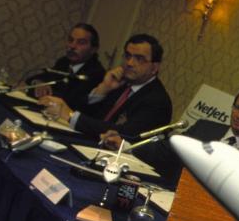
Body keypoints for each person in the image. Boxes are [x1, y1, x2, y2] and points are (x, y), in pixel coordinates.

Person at [102, 87, 239, 196]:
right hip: (171, 195)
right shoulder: (205, 128)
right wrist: (125, 145)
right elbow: (166, 150)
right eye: (237, 107)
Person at [39, 33, 172, 141]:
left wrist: (71, 116)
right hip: (88, 141)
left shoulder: (157, 101)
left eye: (139, 59)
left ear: (154, 68)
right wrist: (103, 89)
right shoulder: (121, 84)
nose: (130, 63)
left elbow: (125, 133)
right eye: (127, 56)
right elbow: (89, 114)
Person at [25, 23, 105, 111]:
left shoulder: (96, 73)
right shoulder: (64, 61)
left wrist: (48, 91)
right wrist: (38, 82)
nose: (72, 46)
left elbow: (71, 101)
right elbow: (41, 77)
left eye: (81, 42)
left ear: (93, 49)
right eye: (71, 40)